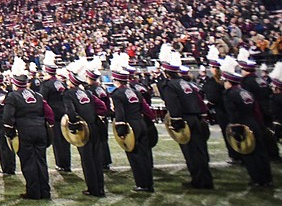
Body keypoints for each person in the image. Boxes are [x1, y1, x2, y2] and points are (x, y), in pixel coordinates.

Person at [157, 44, 213, 190]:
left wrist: (175, 120)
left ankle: (198, 181)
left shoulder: (170, 85)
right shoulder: (186, 83)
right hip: (197, 119)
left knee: (191, 153)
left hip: (185, 121)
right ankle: (206, 179)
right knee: (200, 151)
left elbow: (173, 104)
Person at [3, 57, 53, 200]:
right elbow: (48, 112)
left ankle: (33, 192)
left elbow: (8, 118)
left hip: (25, 132)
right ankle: (45, 190)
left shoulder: (13, 96)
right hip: (41, 130)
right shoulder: (37, 95)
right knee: (41, 161)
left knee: (29, 162)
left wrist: (9, 132)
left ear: (15, 83)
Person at [219, 55, 273, 187]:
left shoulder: (229, 94)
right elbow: (256, 110)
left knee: (249, 153)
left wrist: (236, 130)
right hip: (254, 122)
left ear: (228, 82)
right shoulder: (245, 92)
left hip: (243, 125)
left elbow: (233, 113)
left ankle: (257, 179)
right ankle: (267, 178)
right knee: (261, 152)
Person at [108, 52, 156, 193]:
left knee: (135, 156)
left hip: (130, 126)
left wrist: (121, 131)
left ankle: (142, 184)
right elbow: (143, 108)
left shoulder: (117, 94)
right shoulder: (135, 92)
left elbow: (120, 115)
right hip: (140, 123)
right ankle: (149, 183)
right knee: (144, 155)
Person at [63, 58, 107, 197]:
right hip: (95, 127)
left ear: (71, 82)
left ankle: (93, 189)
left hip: (84, 130)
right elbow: (102, 107)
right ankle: (100, 187)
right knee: (97, 159)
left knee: (87, 161)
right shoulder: (88, 93)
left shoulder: (68, 94)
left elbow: (70, 112)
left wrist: (74, 125)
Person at [39, 51, 72, 173]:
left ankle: (61, 164)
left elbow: (43, 101)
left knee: (58, 141)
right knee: (65, 140)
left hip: (54, 115)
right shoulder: (61, 82)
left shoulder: (46, 85)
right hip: (65, 113)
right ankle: (67, 163)